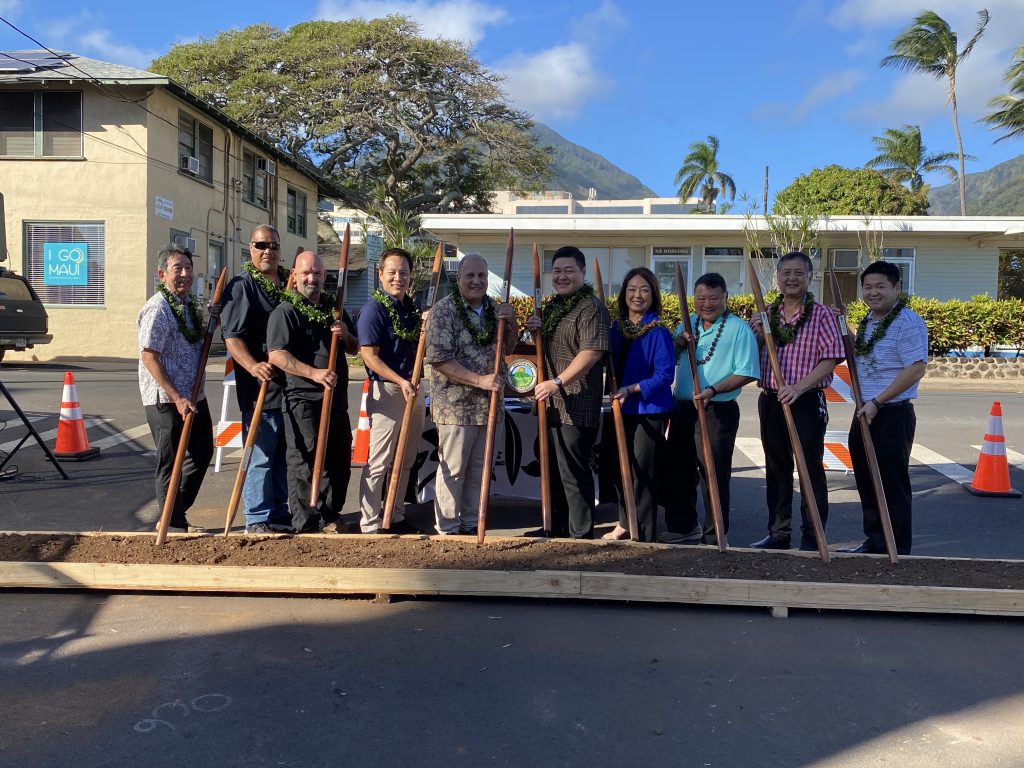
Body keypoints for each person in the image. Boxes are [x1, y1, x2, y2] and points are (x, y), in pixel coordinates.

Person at [750, 251, 844, 551]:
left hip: (805, 401)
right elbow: (748, 357)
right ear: (777, 277)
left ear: (809, 277)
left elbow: (831, 358)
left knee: (809, 468)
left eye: (798, 273)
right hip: (771, 400)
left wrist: (799, 388)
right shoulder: (764, 314)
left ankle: (813, 535)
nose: (791, 278)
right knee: (776, 468)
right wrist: (756, 337)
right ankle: (778, 533)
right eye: (786, 273)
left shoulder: (821, 314)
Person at [661, 272, 759, 545]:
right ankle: (682, 527)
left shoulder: (739, 329)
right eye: (701, 298)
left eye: (713, 298)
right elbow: (664, 355)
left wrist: (714, 390)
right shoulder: (687, 323)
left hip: (717, 409)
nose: (707, 303)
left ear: (725, 297)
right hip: (682, 409)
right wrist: (676, 343)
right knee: (678, 470)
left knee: (713, 474)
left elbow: (747, 372)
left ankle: (714, 533)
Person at [424, 254, 519, 535]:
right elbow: (439, 359)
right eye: (470, 276)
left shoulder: (494, 309)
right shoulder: (445, 310)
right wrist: (480, 380)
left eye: (482, 276)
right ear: (459, 278)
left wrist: (512, 323)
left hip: (489, 408)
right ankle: (449, 528)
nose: (476, 281)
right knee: (454, 471)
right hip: (456, 408)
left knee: (480, 469)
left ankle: (470, 523)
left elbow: (507, 350)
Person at [839, 261, 927, 555]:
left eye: (880, 286)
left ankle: (897, 548)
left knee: (891, 482)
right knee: (866, 478)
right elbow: (860, 354)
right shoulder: (869, 322)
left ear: (896, 288)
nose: (873, 292)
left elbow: (915, 369)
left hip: (891, 412)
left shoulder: (907, 321)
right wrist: (844, 327)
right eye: (868, 287)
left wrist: (878, 402)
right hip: (865, 411)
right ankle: (876, 541)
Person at [267, 251, 358, 534]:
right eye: (306, 273)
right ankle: (305, 523)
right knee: (304, 462)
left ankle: (330, 515)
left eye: (317, 273)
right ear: (294, 274)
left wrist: (344, 334)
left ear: (325, 276)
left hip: (336, 399)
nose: (312, 278)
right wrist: (314, 373)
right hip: (302, 398)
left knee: (339, 460)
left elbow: (354, 349)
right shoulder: (286, 311)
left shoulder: (336, 309)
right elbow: (277, 355)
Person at [525, 245, 609, 539]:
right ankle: (556, 526)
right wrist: (534, 329)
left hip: (577, 403)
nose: (561, 276)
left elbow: (592, 353)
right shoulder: (553, 306)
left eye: (568, 270)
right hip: (552, 405)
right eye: (557, 270)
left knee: (574, 473)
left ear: (582, 272)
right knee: (553, 472)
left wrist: (557, 381)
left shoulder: (592, 307)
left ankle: (581, 533)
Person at [137, 243, 219, 533]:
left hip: (195, 394)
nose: (185, 274)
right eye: (177, 269)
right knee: (169, 461)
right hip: (166, 398)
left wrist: (213, 319)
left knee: (201, 452)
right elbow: (149, 356)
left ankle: (173, 515)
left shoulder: (187, 306)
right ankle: (173, 524)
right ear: (162, 274)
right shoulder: (158, 308)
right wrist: (177, 396)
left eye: (188, 268)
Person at [220, 225, 291, 534]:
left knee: (281, 454)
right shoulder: (242, 286)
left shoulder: (287, 283)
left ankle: (278, 511)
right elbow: (232, 337)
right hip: (259, 386)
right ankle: (257, 517)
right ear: (250, 248)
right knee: (260, 452)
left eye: (273, 245)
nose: (268, 251)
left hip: (289, 385)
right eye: (261, 244)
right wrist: (252, 366)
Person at [601, 267, 675, 543]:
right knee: (621, 469)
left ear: (653, 294)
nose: (637, 295)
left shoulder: (658, 332)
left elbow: (664, 376)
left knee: (643, 473)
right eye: (632, 289)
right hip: (620, 409)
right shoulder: (616, 328)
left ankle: (642, 531)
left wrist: (631, 390)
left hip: (648, 410)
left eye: (644, 289)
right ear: (624, 294)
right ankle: (624, 521)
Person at [357, 247, 425, 534]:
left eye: (404, 273)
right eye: (393, 272)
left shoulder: (409, 308)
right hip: (387, 391)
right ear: (380, 274)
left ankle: (395, 514)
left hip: (414, 388)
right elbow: (369, 356)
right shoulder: (374, 310)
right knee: (380, 460)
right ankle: (370, 521)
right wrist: (399, 381)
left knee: (407, 458)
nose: (399, 278)